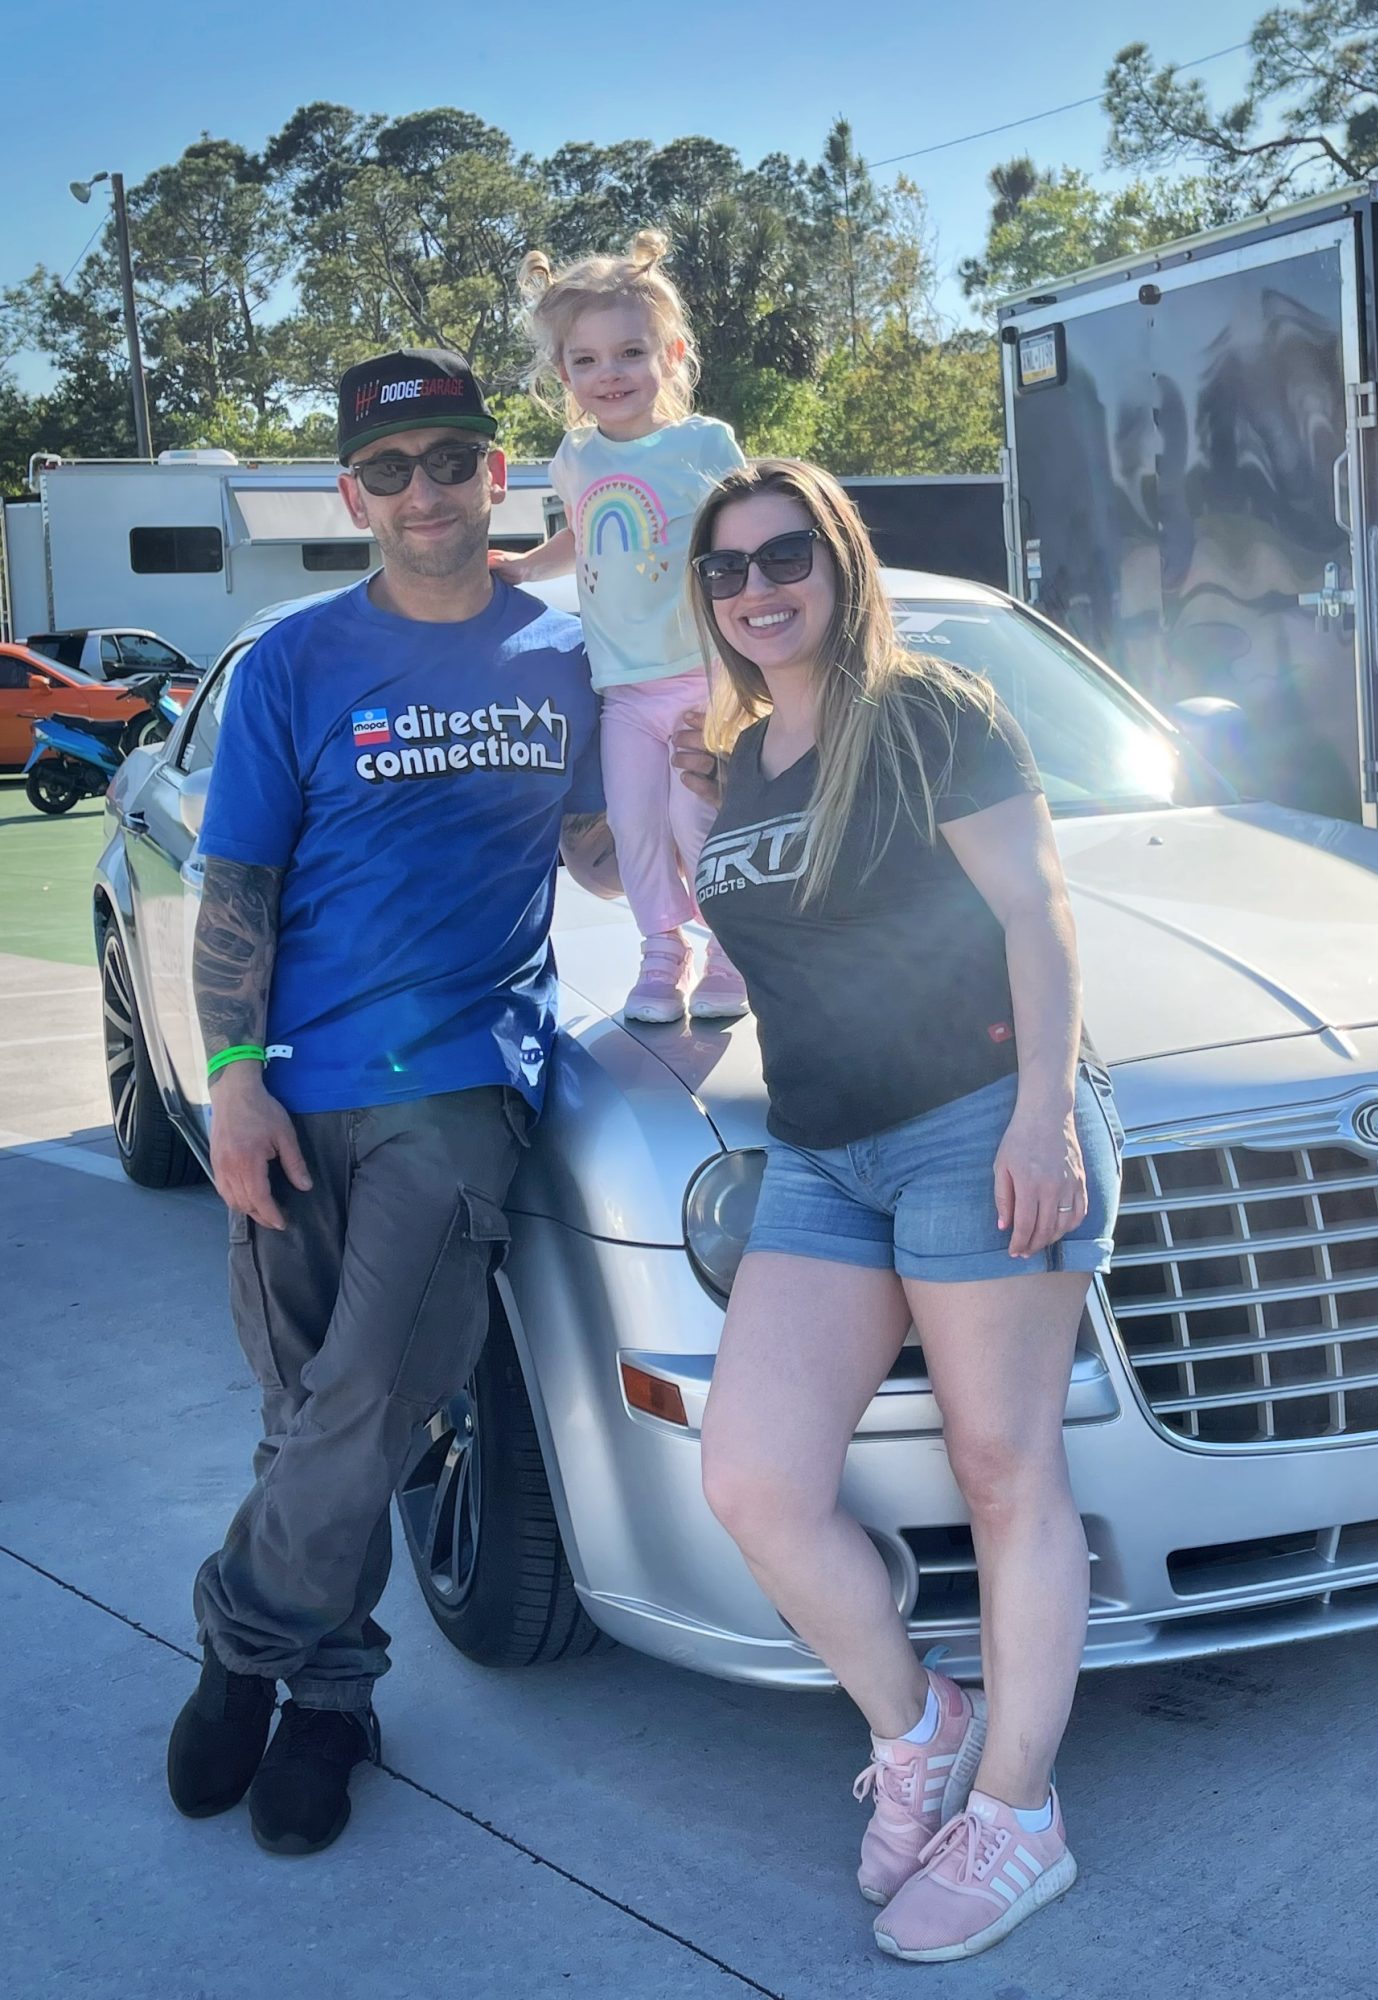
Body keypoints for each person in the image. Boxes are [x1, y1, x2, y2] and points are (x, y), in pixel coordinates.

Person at [165, 348, 621, 1857]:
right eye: (390, 468)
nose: (423, 491)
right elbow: (239, 889)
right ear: (351, 492)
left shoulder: (564, 657)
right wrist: (232, 1085)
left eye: (450, 461)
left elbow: (610, 855)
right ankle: (337, 1699)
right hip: (293, 1089)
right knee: (309, 1413)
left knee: (369, 1396)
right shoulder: (298, 661)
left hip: (461, 1083)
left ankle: (237, 1645)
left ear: (500, 476)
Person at [685, 460, 1123, 1963]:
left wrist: (1043, 1110)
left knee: (1006, 1471)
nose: (759, 588)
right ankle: (918, 1721)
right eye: (730, 570)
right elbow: (742, 957)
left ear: (840, 558)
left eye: (785, 555)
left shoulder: (927, 710)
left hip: (967, 1125)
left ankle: (1019, 1814)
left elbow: (1035, 909)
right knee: (751, 1479)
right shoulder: (733, 761)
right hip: (820, 1157)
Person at [494, 231, 748, 1025]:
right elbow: (589, 533)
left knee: (693, 817)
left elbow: (740, 536)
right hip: (624, 690)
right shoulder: (575, 457)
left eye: (630, 352)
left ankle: (732, 948)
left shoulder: (704, 444)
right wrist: (531, 566)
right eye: (587, 361)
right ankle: (662, 948)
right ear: (562, 373)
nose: (611, 375)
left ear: (670, 354)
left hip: (703, 678)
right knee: (635, 821)